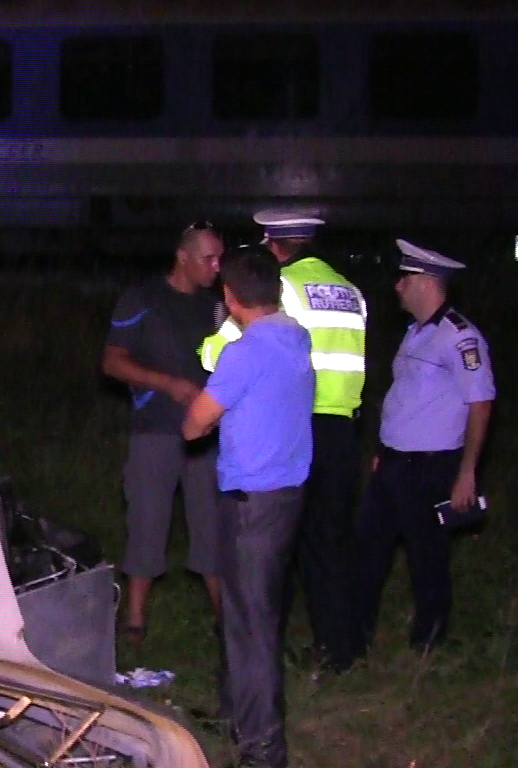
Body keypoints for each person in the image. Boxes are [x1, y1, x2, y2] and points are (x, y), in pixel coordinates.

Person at [204, 211, 368, 671]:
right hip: (343, 428)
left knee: (273, 542)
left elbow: (225, 351)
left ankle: (262, 653)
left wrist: (204, 347)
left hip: (295, 422)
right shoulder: (350, 291)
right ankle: (339, 648)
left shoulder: (281, 289)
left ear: (272, 246)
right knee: (330, 541)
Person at [183, 244, 314, 768]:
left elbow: (197, 422)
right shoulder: (296, 337)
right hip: (286, 494)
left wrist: (203, 409)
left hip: (253, 504)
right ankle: (240, 713)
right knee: (252, 614)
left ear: (231, 296)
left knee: (251, 625)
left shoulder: (247, 352)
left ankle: (262, 750)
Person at [347, 239, 494, 659]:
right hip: (393, 463)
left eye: (405, 279)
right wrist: (383, 449)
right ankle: (354, 641)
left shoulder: (459, 338)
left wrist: (467, 472)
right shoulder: (414, 334)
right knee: (367, 552)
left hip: (431, 468)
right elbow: (405, 398)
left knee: (427, 559)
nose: (397, 287)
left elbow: (480, 403)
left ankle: (427, 646)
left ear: (427, 283)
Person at [103, 222, 225, 641]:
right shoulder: (143, 299)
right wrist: (169, 384)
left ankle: (226, 619)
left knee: (211, 522)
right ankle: (135, 621)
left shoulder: (217, 307)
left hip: (207, 435)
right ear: (183, 257)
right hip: (154, 430)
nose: (216, 267)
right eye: (209, 258)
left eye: (220, 258)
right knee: (147, 520)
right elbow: (113, 362)